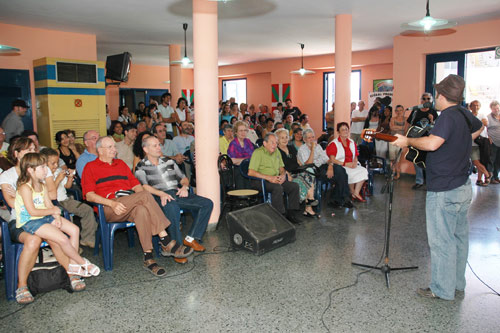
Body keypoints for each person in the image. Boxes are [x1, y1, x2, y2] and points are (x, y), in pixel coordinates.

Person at [391, 74, 483, 300]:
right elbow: (480, 127)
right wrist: (459, 143)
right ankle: (457, 284)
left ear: (442, 96)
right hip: (462, 186)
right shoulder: (464, 113)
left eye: (437, 94)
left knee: (442, 241)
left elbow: (432, 144)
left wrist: (407, 141)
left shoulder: (447, 116)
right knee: (459, 238)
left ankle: (442, 289)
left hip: (444, 190)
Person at [1, 138, 86, 304]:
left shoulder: (42, 169)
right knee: (33, 241)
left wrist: (26, 197)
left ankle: (71, 274)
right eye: (27, 149)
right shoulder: (7, 175)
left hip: (44, 216)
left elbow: (52, 195)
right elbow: (13, 205)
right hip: (20, 220)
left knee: (56, 236)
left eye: (34, 148)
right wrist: (31, 199)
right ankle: (22, 285)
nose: (33, 151)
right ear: (17, 154)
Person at [82, 136, 182, 276]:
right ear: (100, 150)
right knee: (146, 195)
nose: (114, 149)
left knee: (142, 209)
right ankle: (165, 239)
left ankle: (148, 258)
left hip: (129, 201)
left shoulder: (121, 164)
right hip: (109, 206)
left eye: (114, 146)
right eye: (110, 147)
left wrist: (142, 201)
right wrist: (112, 203)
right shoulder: (90, 167)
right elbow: (89, 195)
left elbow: (136, 186)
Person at [15, 152, 100, 303]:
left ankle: (72, 265)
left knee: (74, 230)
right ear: (30, 170)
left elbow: (49, 203)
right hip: (32, 221)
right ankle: (81, 262)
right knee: (62, 239)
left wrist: (56, 216)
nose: (45, 170)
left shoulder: (41, 184)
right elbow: (32, 211)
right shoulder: (24, 187)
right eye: (42, 167)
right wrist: (53, 212)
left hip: (45, 217)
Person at [136, 136, 214, 254]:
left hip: (176, 192)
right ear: (146, 149)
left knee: (207, 203)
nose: (159, 147)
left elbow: (183, 178)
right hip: (158, 196)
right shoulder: (141, 166)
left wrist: (184, 187)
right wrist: (161, 193)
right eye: (155, 145)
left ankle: (191, 238)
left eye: (159, 145)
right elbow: (144, 187)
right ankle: (177, 248)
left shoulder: (169, 162)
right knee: (172, 207)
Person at [41, 148, 97, 248]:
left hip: (65, 200)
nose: (56, 166)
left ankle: (87, 239)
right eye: (53, 163)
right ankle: (69, 246)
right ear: (44, 163)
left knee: (87, 209)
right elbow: (50, 192)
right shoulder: (42, 174)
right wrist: (58, 179)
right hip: (51, 203)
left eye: (57, 163)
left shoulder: (58, 171)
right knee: (63, 217)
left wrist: (70, 177)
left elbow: (67, 186)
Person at [248, 133, 301, 224]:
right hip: (261, 180)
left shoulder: (277, 152)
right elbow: (251, 172)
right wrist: (269, 178)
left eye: (276, 143)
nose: (275, 145)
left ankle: (291, 213)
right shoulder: (258, 153)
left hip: (275, 178)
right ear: (265, 143)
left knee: (294, 186)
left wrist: (283, 175)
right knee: (277, 188)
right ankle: (279, 216)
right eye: (272, 143)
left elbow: (281, 168)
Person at [298, 129, 353, 208]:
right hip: (312, 169)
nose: (312, 139)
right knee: (339, 176)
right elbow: (308, 164)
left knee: (340, 170)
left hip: (323, 166)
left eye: (313, 137)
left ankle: (340, 199)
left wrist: (330, 166)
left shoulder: (318, 146)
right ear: (304, 139)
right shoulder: (302, 149)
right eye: (309, 138)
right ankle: (340, 199)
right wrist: (313, 149)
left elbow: (326, 159)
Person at [275, 128, 318, 217]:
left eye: (286, 137)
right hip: (288, 174)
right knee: (307, 178)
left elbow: (298, 160)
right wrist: (287, 174)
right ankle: (308, 203)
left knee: (309, 171)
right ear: (277, 140)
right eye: (282, 138)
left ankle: (309, 201)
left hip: (297, 171)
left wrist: (303, 167)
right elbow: (279, 167)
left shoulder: (291, 147)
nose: (285, 139)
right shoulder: (276, 151)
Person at [326, 122, 368, 202]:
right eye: (343, 130)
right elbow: (332, 160)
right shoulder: (334, 144)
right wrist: (345, 164)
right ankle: (351, 191)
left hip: (351, 164)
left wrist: (355, 162)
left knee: (363, 171)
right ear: (338, 132)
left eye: (346, 129)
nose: (345, 131)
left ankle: (355, 192)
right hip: (340, 165)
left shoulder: (351, 142)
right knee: (349, 173)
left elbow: (355, 155)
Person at [405, 92, 439, 190]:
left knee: (429, 161)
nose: (426, 101)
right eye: (424, 99)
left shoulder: (433, 111)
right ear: (421, 100)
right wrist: (406, 137)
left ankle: (430, 182)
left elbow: (437, 127)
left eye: (428, 99)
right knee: (416, 159)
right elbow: (408, 123)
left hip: (429, 140)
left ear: (431, 100)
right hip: (417, 139)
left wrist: (432, 120)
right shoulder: (416, 111)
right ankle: (419, 181)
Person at [469, 100, 489, 185]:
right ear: (470, 107)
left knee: (479, 161)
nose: (476, 107)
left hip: (481, 141)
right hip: (471, 142)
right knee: (476, 161)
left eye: (477, 105)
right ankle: (484, 177)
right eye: (474, 105)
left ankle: (483, 177)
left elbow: (485, 123)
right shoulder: (469, 115)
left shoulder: (482, 115)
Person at [388, 105, 407, 179]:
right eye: (397, 110)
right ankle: (393, 173)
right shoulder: (393, 119)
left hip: (401, 141)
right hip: (392, 139)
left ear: (403, 111)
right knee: (392, 158)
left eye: (400, 110)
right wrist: (400, 128)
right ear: (395, 112)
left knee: (398, 159)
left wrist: (397, 127)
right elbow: (392, 128)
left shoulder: (406, 119)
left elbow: (405, 129)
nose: (399, 112)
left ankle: (397, 173)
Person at [486, 100, 500, 184]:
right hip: (493, 142)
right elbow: (484, 129)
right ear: (491, 109)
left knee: (498, 161)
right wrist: (488, 137)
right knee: (491, 160)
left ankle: (496, 176)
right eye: (495, 109)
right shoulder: (488, 117)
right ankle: (490, 178)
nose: (497, 110)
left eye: (498, 108)